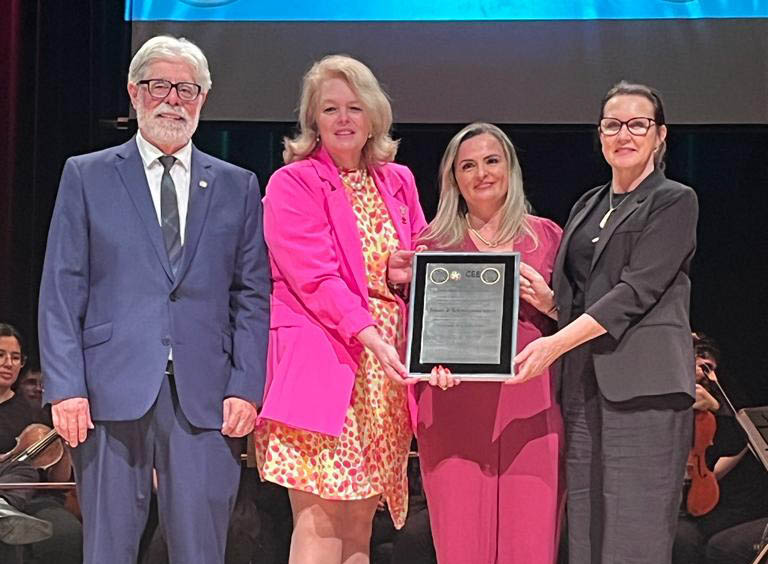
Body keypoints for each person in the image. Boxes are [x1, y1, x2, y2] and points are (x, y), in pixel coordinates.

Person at [38, 35, 270, 564]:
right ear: (133, 92)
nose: (173, 99)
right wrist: (66, 387)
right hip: (105, 390)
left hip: (206, 393)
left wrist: (246, 386)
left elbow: (252, 295)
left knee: (201, 548)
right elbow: (61, 287)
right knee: (109, 548)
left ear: (203, 99)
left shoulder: (236, 185)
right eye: (158, 85)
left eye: (186, 89)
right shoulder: (87, 174)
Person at [512, 81, 699, 564]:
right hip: (583, 386)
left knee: (633, 535)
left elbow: (635, 293)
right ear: (600, 135)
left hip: (644, 390)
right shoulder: (588, 204)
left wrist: (554, 345)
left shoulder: (674, 200)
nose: (624, 134)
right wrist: (552, 305)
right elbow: (583, 297)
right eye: (613, 124)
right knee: (587, 529)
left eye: (638, 124)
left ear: (659, 135)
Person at [254, 54, 426, 564]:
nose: (344, 119)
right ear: (314, 120)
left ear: (374, 115)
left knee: (359, 529)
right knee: (321, 522)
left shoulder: (398, 180)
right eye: (330, 109)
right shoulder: (294, 183)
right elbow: (315, 276)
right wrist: (370, 333)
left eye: (354, 107)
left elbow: (421, 254)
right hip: (323, 366)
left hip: (384, 377)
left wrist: (407, 270)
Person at [412, 122, 565, 563]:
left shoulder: (548, 237)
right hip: (453, 404)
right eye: (468, 165)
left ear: (511, 168)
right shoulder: (431, 244)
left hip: (530, 404)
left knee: (530, 542)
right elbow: (413, 330)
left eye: (492, 161)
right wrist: (428, 364)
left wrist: (551, 304)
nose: (482, 173)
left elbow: (576, 321)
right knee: (461, 545)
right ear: (453, 178)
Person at [673, 334, 768, 563]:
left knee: (690, 540)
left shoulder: (733, 410)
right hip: (684, 504)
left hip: (726, 506)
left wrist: (716, 409)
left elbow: (709, 477)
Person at [0, 323, 81, 564]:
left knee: (67, 531)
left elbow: (58, 479)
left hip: (32, 498)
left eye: (16, 357)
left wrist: (64, 451)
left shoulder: (35, 413)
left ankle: (4, 506)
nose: (8, 363)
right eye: (0, 355)